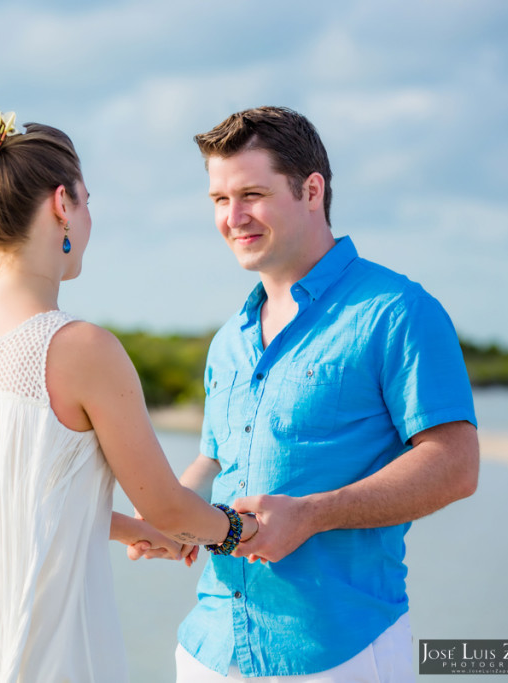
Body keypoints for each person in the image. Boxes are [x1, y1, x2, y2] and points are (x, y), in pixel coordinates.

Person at [133, 106, 479, 681]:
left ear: (311, 190)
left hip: (338, 651)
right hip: (207, 649)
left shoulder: (398, 311)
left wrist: (314, 515)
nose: (233, 217)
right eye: (220, 200)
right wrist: (171, 516)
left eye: (251, 194)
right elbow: (215, 459)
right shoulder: (229, 340)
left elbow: (456, 465)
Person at [0, 111, 258, 683]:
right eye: (86, 200)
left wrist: (134, 530)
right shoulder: (81, 347)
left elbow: (18, 502)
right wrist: (243, 531)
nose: (89, 216)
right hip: (53, 645)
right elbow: (169, 507)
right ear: (61, 204)